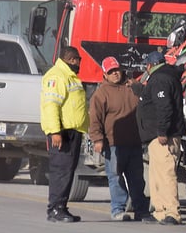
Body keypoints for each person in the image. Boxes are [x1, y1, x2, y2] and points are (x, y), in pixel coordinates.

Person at [88, 57, 149, 221]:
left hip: (134, 142)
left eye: (117, 70)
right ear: (105, 74)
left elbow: (147, 99)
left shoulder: (131, 87)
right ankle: (118, 209)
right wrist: (97, 139)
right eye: (111, 72)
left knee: (137, 178)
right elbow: (95, 118)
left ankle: (141, 209)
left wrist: (137, 86)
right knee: (115, 176)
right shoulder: (101, 93)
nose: (115, 74)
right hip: (113, 144)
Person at [136, 51, 185, 225]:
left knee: (165, 174)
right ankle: (160, 211)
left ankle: (172, 212)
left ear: (150, 65)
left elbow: (164, 107)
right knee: (156, 175)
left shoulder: (160, 79)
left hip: (164, 136)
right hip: (155, 137)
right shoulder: (162, 77)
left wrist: (162, 131)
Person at [40, 46, 89, 222]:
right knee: (60, 171)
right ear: (69, 59)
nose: (78, 63)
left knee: (67, 171)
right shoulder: (57, 76)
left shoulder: (70, 76)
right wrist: (55, 132)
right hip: (62, 131)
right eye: (77, 59)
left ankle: (61, 206)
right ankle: (54, 209)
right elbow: (51, 105)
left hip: (73, 131)